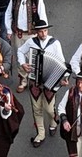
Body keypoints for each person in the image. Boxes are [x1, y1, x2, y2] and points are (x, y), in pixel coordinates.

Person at [17, 19, 66, 147]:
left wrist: (63, 78)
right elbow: (20, 51)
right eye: (41, 31)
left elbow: (61, 62)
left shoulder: (54, 43)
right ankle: (40, 133)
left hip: (50, 80)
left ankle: (53, 122)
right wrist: (23, 63)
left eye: (45, 31)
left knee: (49, 109)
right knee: (36, 108)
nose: (43, 34)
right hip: (35, 80)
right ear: (36, 32)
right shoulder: (31, 42)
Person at [5, 0, 47, 87]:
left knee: (33, 57)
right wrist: (9, 30)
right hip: (18, 34)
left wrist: (42, 32)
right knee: (20, 58)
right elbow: (8, 13)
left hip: (32, 34)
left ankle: (33, 79)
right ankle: (23, 80)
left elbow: (42, 16)